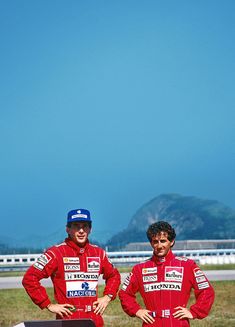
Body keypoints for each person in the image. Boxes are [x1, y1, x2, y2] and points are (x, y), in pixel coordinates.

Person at [22, 208, 121, 327]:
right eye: (76, 226)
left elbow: (114, 275)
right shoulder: (55, 253)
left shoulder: (99, 253)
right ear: (68, 229)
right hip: (67, 319)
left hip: (94, 318)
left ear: (90, 229)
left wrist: (108, 296)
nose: (81, 231)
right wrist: (48, 304)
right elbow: (30, 278)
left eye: (85, 226)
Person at [119, 221, 215, 326]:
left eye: (163, 241)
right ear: (151, 243)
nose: (159, 246)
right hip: (151, 322)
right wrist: (137, 310)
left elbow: (206, 290)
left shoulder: (187, 265)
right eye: (155, 241)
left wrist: (194, 311)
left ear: (172, 242)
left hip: (177, 322)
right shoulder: (140, 268)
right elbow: (124, 293)